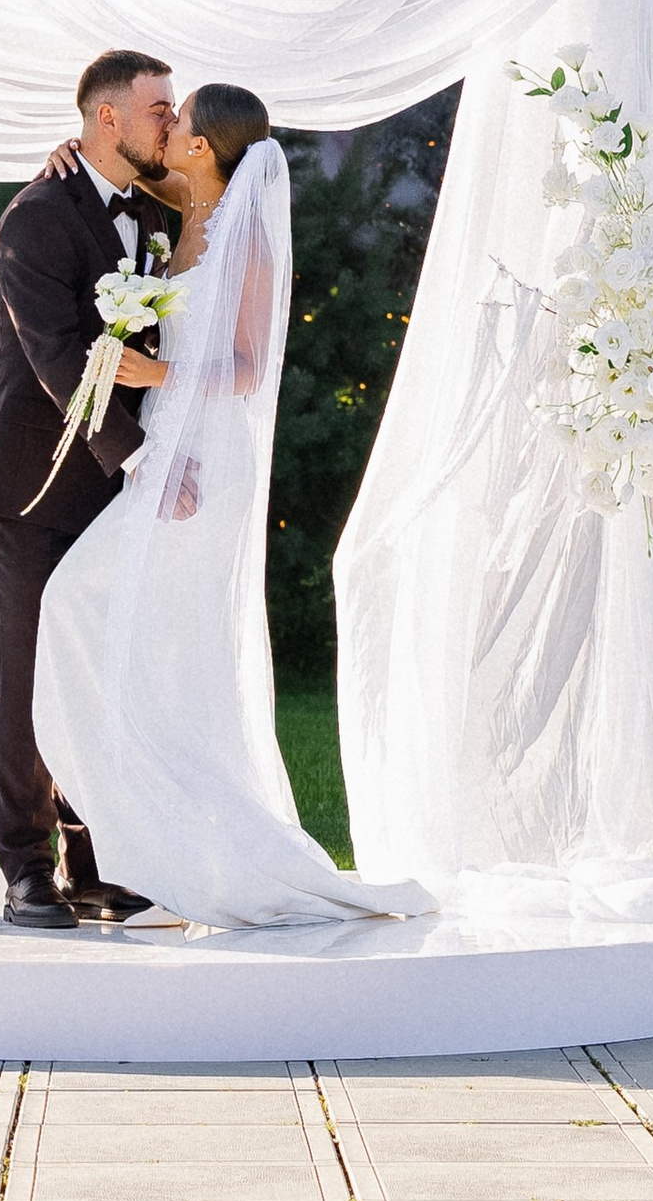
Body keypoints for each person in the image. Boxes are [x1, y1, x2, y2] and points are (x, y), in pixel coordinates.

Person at [32, 81, 431, 931]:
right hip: (168, 446)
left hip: (209, 453)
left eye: (179, 124)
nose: (167, 130)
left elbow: (250, 368)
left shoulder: (241, 239)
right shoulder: (184, 210)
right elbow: (108, 168)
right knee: (109, 622)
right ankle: (163, 831)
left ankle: (209, 841)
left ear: (205, 148)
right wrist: (67, 152)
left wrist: (157, 374)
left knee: (122, 623)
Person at [0, 45, 180, 923]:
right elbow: (62, 358)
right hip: (31, 485)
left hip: (117, 490)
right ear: (106, 120)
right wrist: (138, 455)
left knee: (103, 678)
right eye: (159, 107)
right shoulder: (34, 218)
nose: (172, 119)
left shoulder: (158, 215)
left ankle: (96, 863)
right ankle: (25, 871)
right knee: (26, 681)